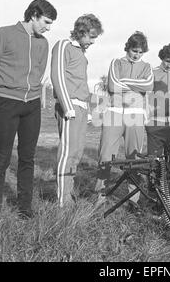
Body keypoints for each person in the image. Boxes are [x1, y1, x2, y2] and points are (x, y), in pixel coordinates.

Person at [0, 0, 57, 218]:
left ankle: (25, 208)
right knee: (1, 157)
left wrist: (32, 92)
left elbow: (40, 73)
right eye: (46, 21)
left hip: (32, 105)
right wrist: (0, 96)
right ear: (33, 15)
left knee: (27, 158)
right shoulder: (3, 33)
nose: (48, 27)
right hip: (7, 102)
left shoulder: (43, 43)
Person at [51, 14, 103, 207]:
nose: (92, 41)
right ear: (81, 31)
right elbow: (57, 76)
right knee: (67, 152)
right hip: (69, 106)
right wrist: (67, 105)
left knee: (77, 153)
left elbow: (81, 83)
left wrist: (87, 110)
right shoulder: (64, 45)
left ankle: (69, 193)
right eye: (90, 36)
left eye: (95, 38)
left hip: (81, 108)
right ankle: (62, 200)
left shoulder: (82, 54)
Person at [95, 31, 154, 204]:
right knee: (105, 154)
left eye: (140, 52)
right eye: (134, 50)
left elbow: (148, 85)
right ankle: (100, 194)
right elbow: (112, 85)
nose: (137, 55)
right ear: (127, 48)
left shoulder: (147, 67)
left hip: (135, 115)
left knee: (133, 158)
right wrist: (136, 87)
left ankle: (133, 199)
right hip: (114, 112)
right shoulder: (116, 62)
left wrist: (124, 82)